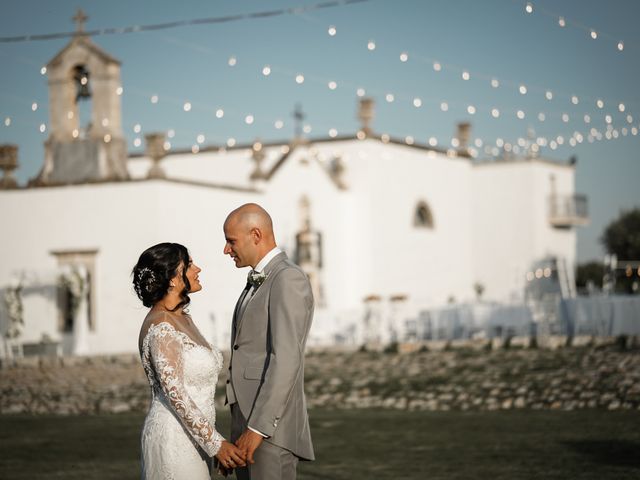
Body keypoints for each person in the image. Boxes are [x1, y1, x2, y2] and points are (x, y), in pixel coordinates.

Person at [133, 242, 246, 479]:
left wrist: (211, 445)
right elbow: (176, 396)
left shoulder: (182, 318)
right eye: (190, 264)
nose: (198, 269)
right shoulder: (161, 326)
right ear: (174, 278)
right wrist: (217, 444)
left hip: (196, 438)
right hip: (173, 439)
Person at [223, 203, 315, 480]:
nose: (226, 250)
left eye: (231, 241)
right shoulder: (257, 281)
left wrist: (257, 429)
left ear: (256, 234)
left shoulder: (287, 279)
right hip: (246, 423)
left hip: (269, 431)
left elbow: (286, 359)